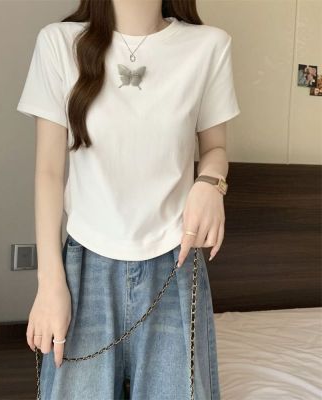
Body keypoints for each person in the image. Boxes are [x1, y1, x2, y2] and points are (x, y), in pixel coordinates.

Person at [16, 0, 240, 399]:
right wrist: (49, 283)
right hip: (85, 268)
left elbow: (215, 148)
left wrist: (211, 183)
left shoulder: (208, 46)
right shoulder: (58, 43)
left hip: (173, 265)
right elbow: (48, 172)